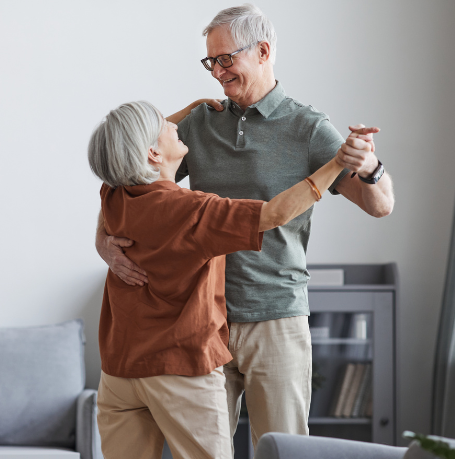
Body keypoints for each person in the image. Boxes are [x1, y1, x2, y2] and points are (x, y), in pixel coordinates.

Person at [94, 4, 395, 451]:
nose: (216, 72)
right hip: (201, 324)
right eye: (210, 61)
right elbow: (129, 173)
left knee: (284, 447)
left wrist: (369, 165)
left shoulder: (307, 128)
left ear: (263, 51)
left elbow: (381, 204)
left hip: (275, 315)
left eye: (225, 59)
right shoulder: (199, 123)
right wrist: (104, 243)